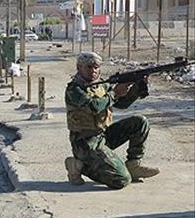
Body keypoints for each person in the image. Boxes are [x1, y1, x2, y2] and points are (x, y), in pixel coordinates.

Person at [64, 51, 160, 189]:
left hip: (103, 135)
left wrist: (137, 87)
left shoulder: (101, 85)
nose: (93, 71)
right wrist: (115, 93)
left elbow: (122, 104)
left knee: (140, 122)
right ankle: (79, 165)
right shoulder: (74, 89)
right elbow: (94, 107)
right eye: (88, 67)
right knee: (121, 180)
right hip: (85, 143)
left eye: (96, 67)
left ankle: (133, 165)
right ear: (79, 68)